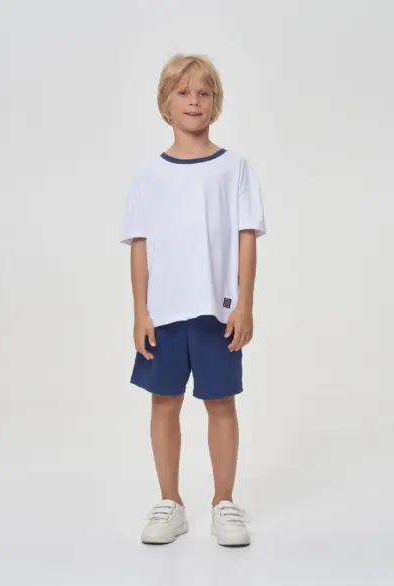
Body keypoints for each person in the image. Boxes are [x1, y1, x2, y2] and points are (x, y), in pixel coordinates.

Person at [120, 53, 266, 547]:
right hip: (164, 312)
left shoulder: (234, 168)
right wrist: (140, 311)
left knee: (220, 402)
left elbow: (246, 238)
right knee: (164, 403)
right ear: (165, 102)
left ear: (215, 102)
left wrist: (244, 303)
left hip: (216, 311)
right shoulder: (149, 174)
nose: (194, 101)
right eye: (183, 92)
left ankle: (224, 502)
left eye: (203, 93)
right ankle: (171, 502)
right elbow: (140, 246)